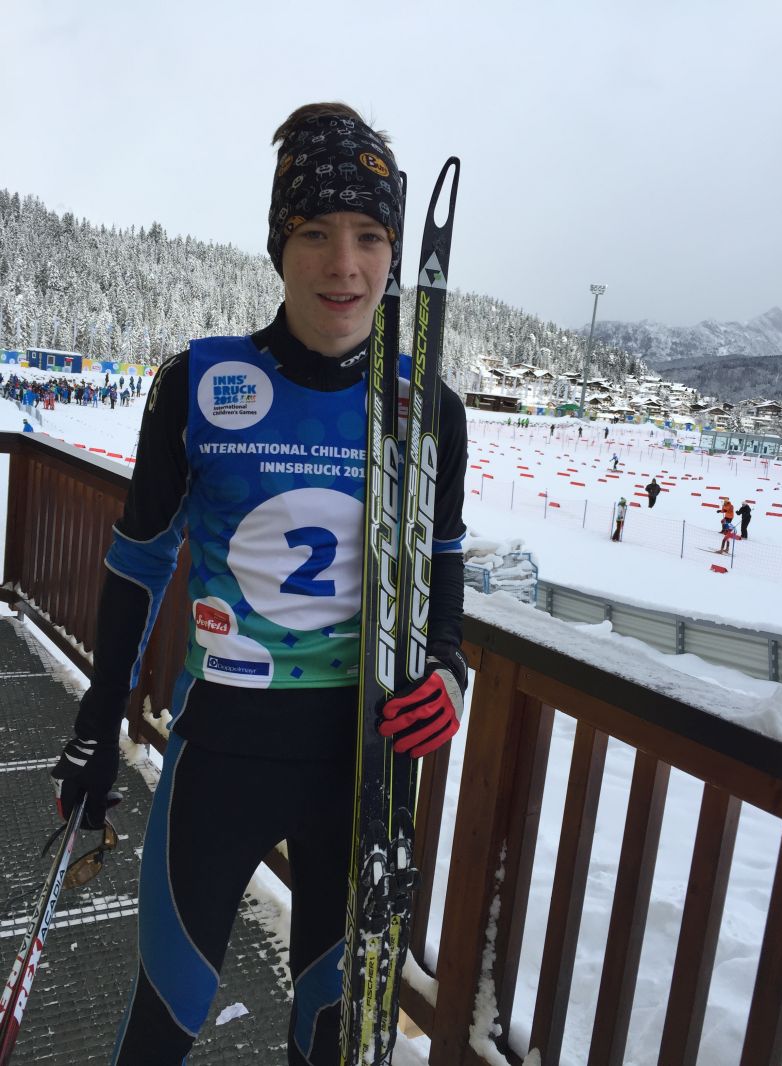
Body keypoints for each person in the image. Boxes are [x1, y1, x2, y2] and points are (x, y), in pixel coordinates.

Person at [49, 101, 468, 1066]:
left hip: (363, 768)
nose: (345, 265)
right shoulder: (198, 384)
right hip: (221, 751)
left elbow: (442, 559)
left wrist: (447, 669)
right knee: (165, 1016)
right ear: (279, 245)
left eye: (369, 236)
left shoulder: (429, 407)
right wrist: (99, 723)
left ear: (393, 252)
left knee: (329, 1031)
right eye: (315, 233)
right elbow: (139, 561)